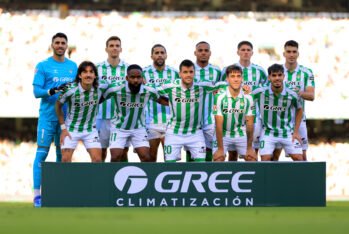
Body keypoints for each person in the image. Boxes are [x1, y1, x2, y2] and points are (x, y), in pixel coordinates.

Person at [32, 32, 78, 207]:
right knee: (42, 154)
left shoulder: (73, 66)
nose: (60, 45)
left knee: (63, 155)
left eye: (63, 43)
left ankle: (59, 194)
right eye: (57, 42)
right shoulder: (43, 65)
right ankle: (37, 195)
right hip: (47, 118)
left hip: (67, 120)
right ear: (52, 45)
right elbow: (37, 92)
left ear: (67, 46)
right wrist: (53, 90)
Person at [158, 59, 226, 162]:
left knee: (200, 165)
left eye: (191, 72)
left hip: (195, 133)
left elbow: (221, 85)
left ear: (194, 73)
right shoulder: (171, 86)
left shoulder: (202, 86)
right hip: (174, 133)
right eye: (185, 72)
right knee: (169, 165)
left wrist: (243, 89)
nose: (188, 75)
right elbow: (152, 91)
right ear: (180, 73)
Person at [103, 64, 165, 162]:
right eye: (132, 77)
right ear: (127, 78)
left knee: (146, 157)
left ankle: (148, 177)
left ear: (142, 78)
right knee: (115, 157)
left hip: (138, 128)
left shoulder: (149, 91)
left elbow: (162, 101)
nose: (135, 80)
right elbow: (99, 99)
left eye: (138, 77)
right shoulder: (116, 89)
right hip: (119, 128)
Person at [221, 41, 267, 160]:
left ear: (252, 52)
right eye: (243, 50)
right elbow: (220, 88)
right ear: (238, 52)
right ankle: (234, 177)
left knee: (252, 152)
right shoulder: (227, 70)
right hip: (232, 116)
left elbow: (266, 90)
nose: (245, 52)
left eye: (248, 50)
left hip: (253, 116)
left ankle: (252, 177)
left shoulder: (260, 71)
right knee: (232, 153)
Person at [55, 61, 109, 163]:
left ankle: (93, 179)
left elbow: (115, 88)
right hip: (71, 129)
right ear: (80, 75)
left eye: (91, 72)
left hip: (90, 130)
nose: (88, 75)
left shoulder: (101, 87)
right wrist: (63, 129)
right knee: (65, 160)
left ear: (95, 75)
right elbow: (57, 106)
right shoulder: (70, 89)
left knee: (98, 160)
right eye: (85, 72)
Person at [273, 40, 315, 161]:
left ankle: (304, 180)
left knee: (302, 156)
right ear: (284, 54)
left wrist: (296, 93)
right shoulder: (276, 72)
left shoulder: (306, 72)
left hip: (299, 120)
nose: (291, 54)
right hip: (279, 121)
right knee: (274, 155)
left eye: (294, 52)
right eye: (288, 52)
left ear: (298, 54)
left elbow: (311, 95)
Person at [252, 64, 303, 161]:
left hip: (287, 132)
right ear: (269, 77)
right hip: (268, 132)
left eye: (280, 75)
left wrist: (296, 132)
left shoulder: (291, 94)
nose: (277, 78)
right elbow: (245, 99)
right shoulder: (260, 92)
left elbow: (300, 110)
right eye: (274, 75)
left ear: (284, 76)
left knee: (299, 158)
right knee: (265, 159)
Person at [143, 44, 179, 161]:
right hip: (150, 122)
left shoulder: (174, 73)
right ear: (151, 56)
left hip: (170, 123)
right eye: (156, 53)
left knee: (170, 159)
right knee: (150, 158)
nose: (159, 55)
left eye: (162, 53)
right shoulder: (144, 72)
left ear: (166, 55)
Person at [213, 65, 256, 162]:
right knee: (218, 158)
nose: (236, 79)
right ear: (227, 79)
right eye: (232, 76)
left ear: (242, 78)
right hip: (223, 134)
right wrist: (220, 149)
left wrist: (249, 148)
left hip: (240, 133)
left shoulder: (249, 97)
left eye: (238, 76)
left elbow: (250, 124)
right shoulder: (219, 96)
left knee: (252, 158)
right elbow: (218, 125)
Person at [96, 36, 129, 162]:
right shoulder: (97, 68)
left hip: (121, 118)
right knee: (101, 152)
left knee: (122, 153)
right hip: (101, 116)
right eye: (111, 46)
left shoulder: (128, 68)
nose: (114, 48)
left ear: (121, 49)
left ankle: (121, 179)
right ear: (106, 49)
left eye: (117, 46)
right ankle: (101, 180)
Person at [187, 41, 221, 162]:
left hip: (210, 118)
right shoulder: (188, 70)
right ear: (195, 53)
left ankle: (207, 176)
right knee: (191, 151)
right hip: (192, 117)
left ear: (210, 53)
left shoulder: (217, 71)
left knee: (210, 151)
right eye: (200, 50)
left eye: (206, 50)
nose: (203, 53)